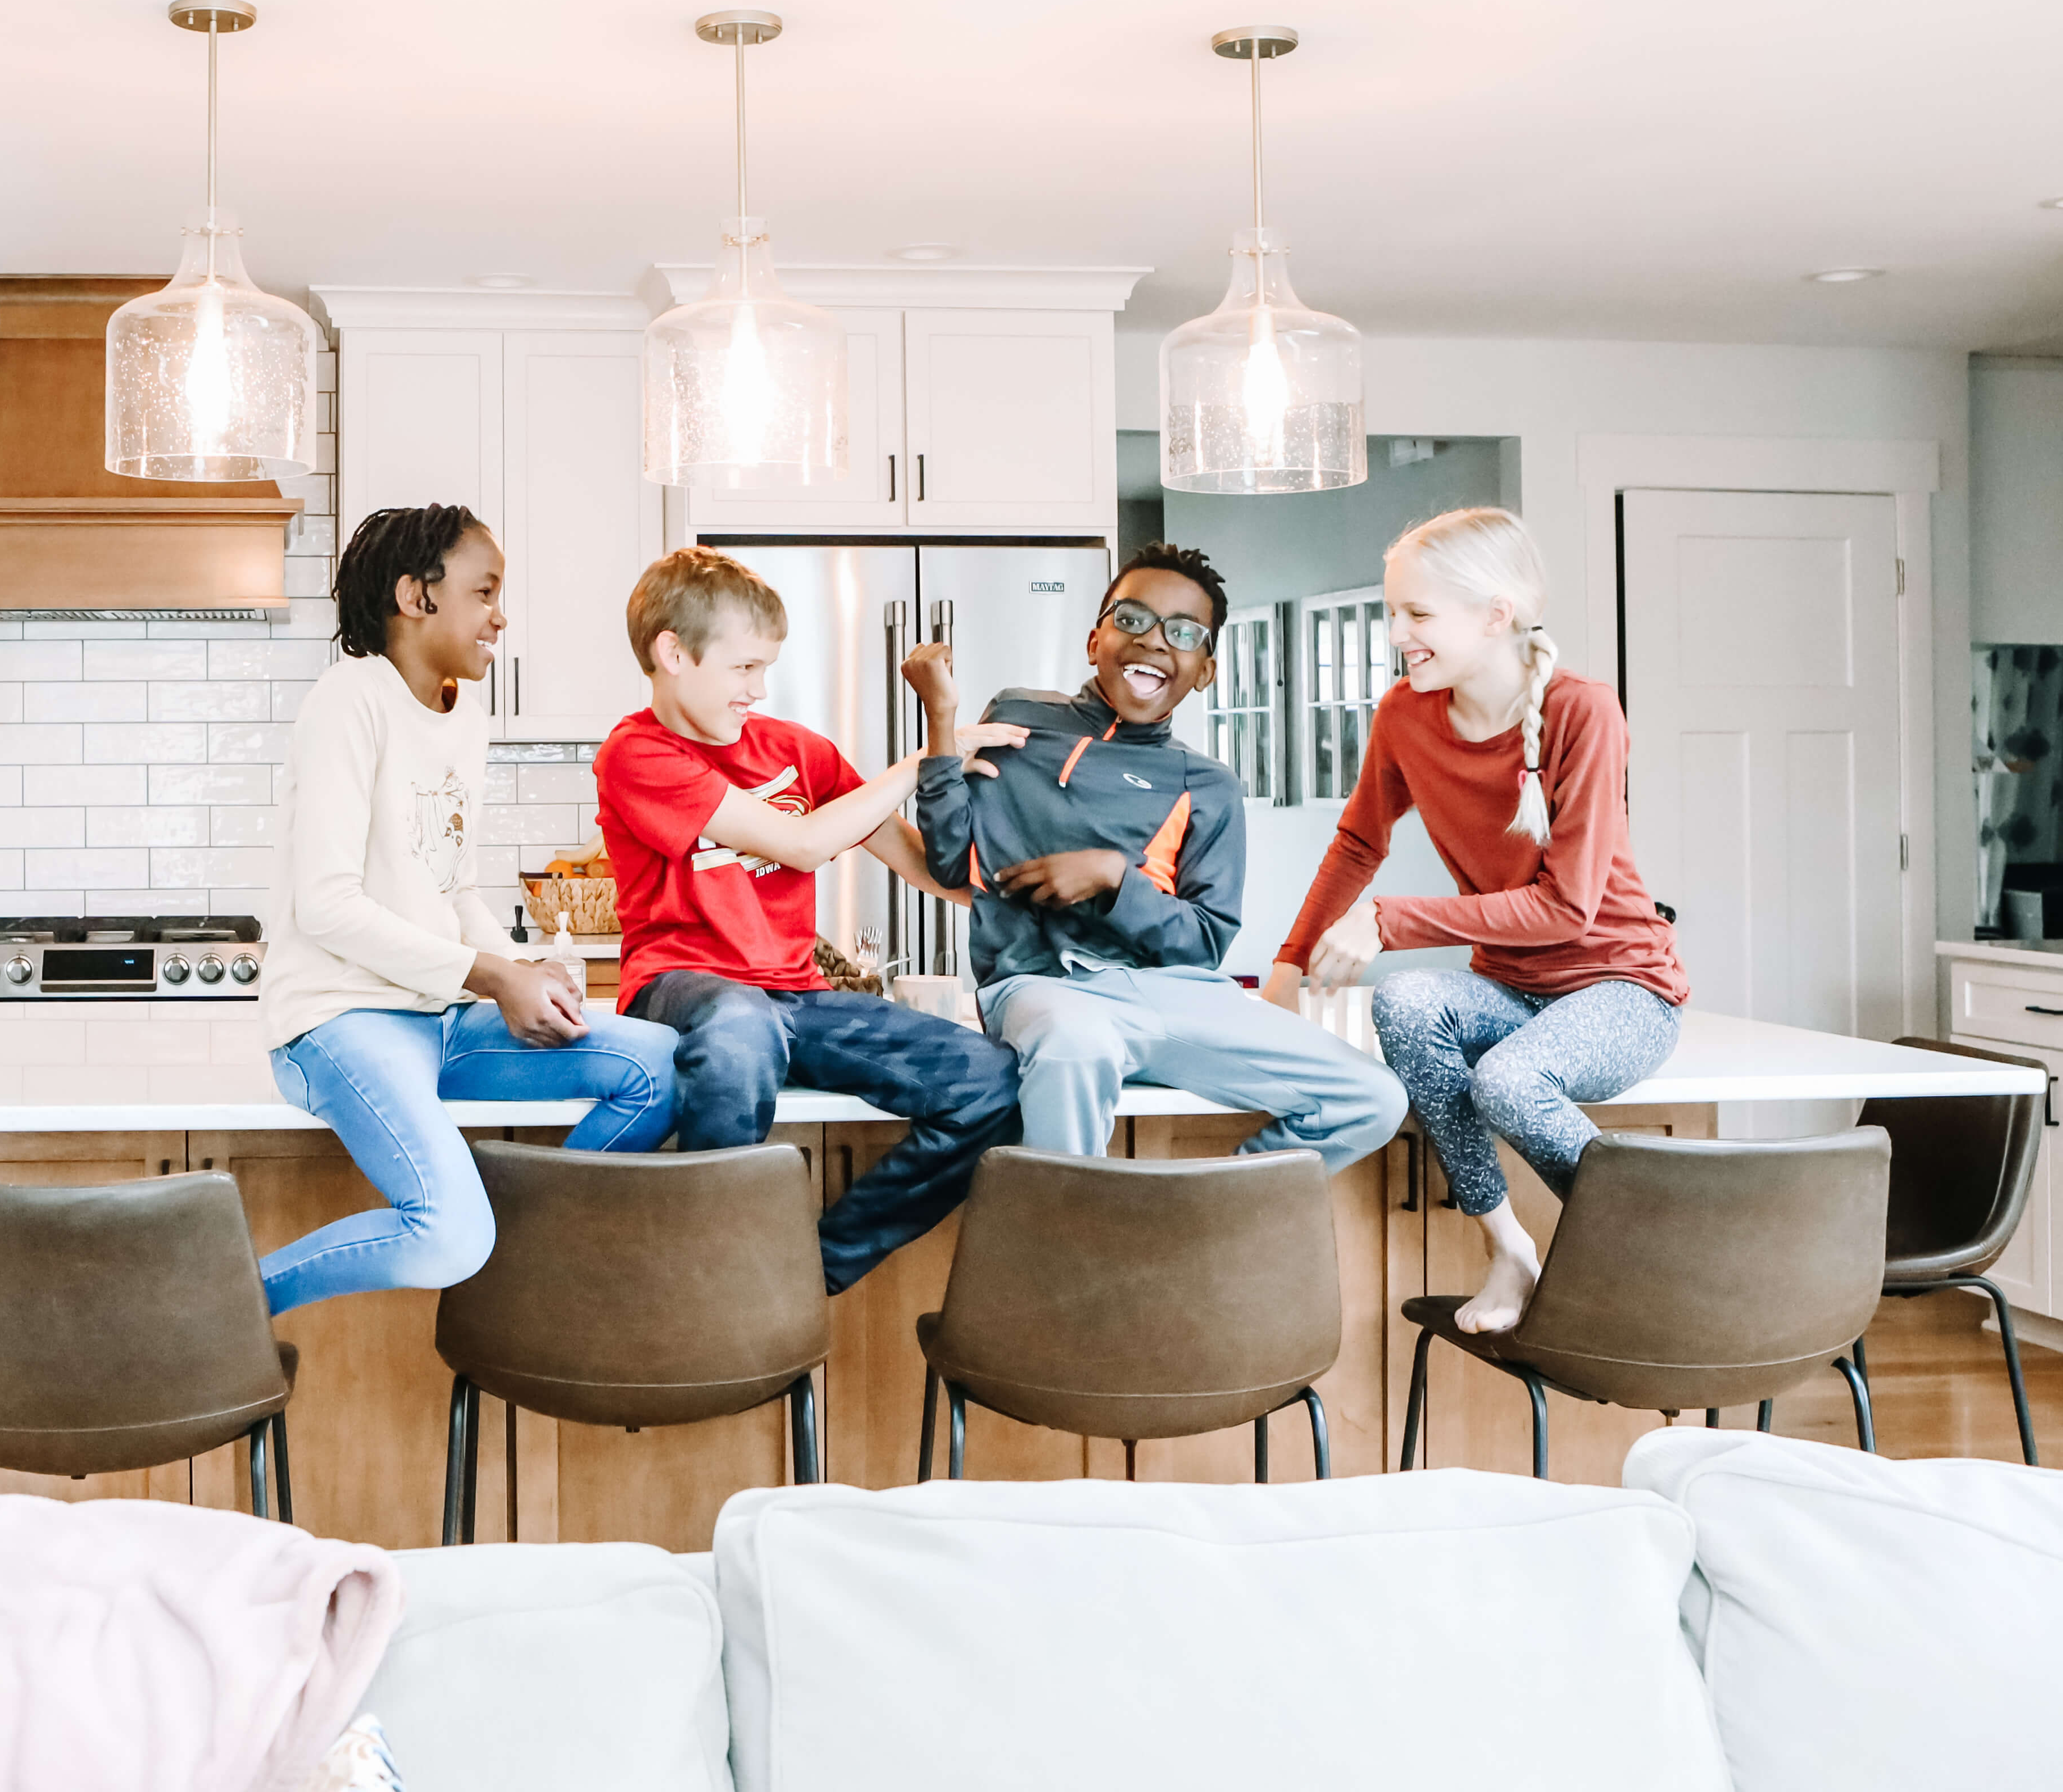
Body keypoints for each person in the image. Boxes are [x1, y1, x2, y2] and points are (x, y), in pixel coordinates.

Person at [1272, 506, 1687, 1335]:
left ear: (1495, 614)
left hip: (1623, 987)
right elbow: (1359, 841)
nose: (1396, 633)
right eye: (1395, 613)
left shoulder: (1581, 711)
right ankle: (1509, 1247)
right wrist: (1286, 968)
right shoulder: (1403, 715)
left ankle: (1657, 1247)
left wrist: (1393, 921)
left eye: (1417, 614)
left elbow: (1565, 906)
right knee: (1409, 1002)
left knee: (1506, 1079)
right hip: (1509, 987)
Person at [254, 505, 679, 1315]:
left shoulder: (465, 715)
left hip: (438, 1013)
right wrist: (493, 973)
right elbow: (327, 906)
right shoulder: (352, 701)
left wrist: (524, 972)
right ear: (417, 596)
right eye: (484, 591)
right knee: (445, 1232)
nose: (500, 613)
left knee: (656, 1065)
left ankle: (498, 1245)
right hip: (340, 1020)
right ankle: (225, 1298)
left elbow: (451, 890)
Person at [594, 546, 1033, 1292]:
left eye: (767, 668)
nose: (758, 689)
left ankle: (808, 1268)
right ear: (672, 653)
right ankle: (709, 1278)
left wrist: (1025, 887)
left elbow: (922, 865)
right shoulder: (636, 753)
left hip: (796, 998)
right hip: (682, 986)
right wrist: (927, 754)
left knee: (989, 1081)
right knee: (740, 1030)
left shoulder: (800, 753)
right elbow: (801, 840)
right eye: (743, 668)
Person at [904, 540, 1407, 1170]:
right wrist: (941, 722)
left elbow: (1205, 942)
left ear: (1205, 671)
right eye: (1132, 619)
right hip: (1042, 986)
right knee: (1075, 1045)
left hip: (1178, 994)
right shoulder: (1016, 720)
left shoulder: (1208, 785)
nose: (1153, 641)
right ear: (1095, 642)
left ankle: (1190, 1228)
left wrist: (1114, 881)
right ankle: (1060, 1263)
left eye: (1182, 632)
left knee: (1372, 1098)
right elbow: (951, 861)